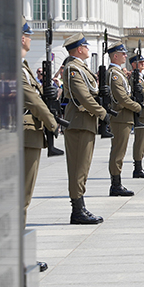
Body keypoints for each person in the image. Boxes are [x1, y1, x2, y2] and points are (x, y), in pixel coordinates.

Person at [61, 33, 106, 224]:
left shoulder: (81, 68)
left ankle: (81, 207)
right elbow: (84, 97)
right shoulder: (73, 69)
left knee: (83, 167)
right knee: (78, 168)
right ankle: (77, 210)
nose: (88, 49)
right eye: (86, 46)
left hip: (85, 122)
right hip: (79, 122)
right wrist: (103, 113)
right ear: (79, 49)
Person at [20, 22, 59, 225]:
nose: (30, 38)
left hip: (30, 133)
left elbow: (36, 96)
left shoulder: (23, 66)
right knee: (22, 196)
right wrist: (53, 124)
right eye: (28, 35)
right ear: (20, 38)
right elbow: (32, 100)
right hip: (25, 134)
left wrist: (48, 93)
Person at [104, 43, 143, 197]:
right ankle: (115, 184)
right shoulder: (114, 73)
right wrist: (138, 107)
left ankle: (117, 182)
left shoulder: (119, 73)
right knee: (118, 152)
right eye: (123, 53)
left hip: (124, 117)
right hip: (120, 117)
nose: (126, 56)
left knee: (120, 150)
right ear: (115, 56)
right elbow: (121, 98)